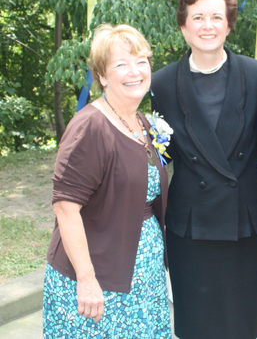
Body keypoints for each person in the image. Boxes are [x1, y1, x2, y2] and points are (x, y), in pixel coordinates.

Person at [151, 0, 257, 339]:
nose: (207, 26)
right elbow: (160, 157)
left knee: (241, 324)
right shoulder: (161, 83)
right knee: (197, 324)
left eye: (216, 17)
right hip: (191, 227)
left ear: (230, 23)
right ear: (183, 26)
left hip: (244, 226)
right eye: (198, 17)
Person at [43, 24, 172, 338]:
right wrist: (86, 280)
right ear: (101, 76)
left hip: (143, 278)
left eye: (141, 62)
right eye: (121, 64)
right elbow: (65, 209)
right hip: (98, 280)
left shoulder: (141, 122)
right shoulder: (90, 126)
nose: (135, 71)